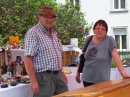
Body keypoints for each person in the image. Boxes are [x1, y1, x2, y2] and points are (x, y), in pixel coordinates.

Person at [24, 6, 68, 97]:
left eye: (52, 17)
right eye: (46, 16)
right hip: (44, 77)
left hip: (58, 74)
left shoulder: (53, 33)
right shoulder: (33, 33)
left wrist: (62, 73)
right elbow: (27, 58)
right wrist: (33, 81)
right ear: (39, 17)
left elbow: (57, 55)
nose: (49, 19)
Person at [75, 19, 130, 87]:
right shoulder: (88, 39)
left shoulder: (109, 40)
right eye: (97, 28)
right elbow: (82, 58)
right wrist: (78, 72)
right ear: (94, 30)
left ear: (106, 31)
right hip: (86, 78)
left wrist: (123, 73)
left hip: (102, 80)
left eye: (102, 29)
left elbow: (116, 58)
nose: (100, 30)